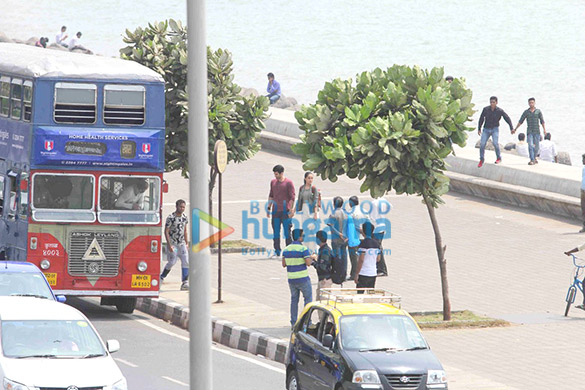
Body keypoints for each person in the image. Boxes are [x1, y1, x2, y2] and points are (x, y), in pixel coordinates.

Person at [282, 229, 314, 328]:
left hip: (291, 279)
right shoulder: (303, 249)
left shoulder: (286, 249)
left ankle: (294, 322)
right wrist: (312, 257)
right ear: (299, 237)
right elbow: (308, 263)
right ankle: (307, 322)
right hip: (303, 278)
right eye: (302, 236)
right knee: (308, 300)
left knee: (294, 300)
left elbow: (284, 264)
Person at [160, 199, 190, 290]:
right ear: (176, 206)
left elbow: (185, 230)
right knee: (172, 261)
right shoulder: (171, 218)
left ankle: (185, 281)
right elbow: (166, 231)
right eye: (180, 207)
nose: (182, 209)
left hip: (182, 244)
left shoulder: (184, 217)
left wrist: (187, 242)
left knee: (186, 261)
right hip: (173, 244)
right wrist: (169, 245)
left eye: (183, 207)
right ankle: (162, 276)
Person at [477, 96, 514, 168]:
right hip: (486, 129)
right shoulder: (486, 109)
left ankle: (498, 158)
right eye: (491, 102)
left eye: (493, 102)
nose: (492, 104)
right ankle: (481, 159)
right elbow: (481, 119)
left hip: (495, 129)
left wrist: (511, 128)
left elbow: (507, 118)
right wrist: (479, 129)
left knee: (495, 143)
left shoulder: (499, 111)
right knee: (482, 144)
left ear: (496, 103)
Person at [267, 164, 295, 256]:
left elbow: (292, 197)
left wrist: (291, 209)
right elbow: (271, 195)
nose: (275, 176)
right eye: (274, 174)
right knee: (276, 232)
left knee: (287, 232)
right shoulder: (273, 182)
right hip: (275, 212)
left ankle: (289, 250)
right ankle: (277, 250)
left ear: (281, 173)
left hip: (285, 211)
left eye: (277, 174)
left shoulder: (288, 183)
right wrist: (268, 207)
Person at [513, 97, 546, 165]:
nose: (531, 104)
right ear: (528, 103)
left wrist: (544, 130)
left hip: (537, 131)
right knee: (530, 145)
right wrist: (515, 128)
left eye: (532, 103)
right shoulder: (526, 112)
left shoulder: (538, 111)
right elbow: (521, 121)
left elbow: (542, 121)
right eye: (530, 103)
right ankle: (532, 159)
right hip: (529, 131)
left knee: (536, 147)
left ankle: (534, 158)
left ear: (534, 103)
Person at [296, 172, 320, 252]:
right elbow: (299, 199)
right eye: (309, 178)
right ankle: (306, 249)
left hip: (312, 211)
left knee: (313, 231)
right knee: (306, 230)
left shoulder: (313, 188)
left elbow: (315, 201)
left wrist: (316, 213)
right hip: (304, 209)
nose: (310, 180)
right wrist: (295, 209)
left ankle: (314, 250)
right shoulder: (301, 188)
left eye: (311, 178)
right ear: (305, 178)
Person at [354, 222, 381, 293]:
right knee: (370, 294)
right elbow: (378, 259)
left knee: (360, 295)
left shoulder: (363, 244)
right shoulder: (377, 244)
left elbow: (361, 260)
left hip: (363, 273)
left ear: (363, 232)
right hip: (373, 273)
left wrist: (356, 274)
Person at [327, 196, 348, 282]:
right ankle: (344, 273)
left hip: (336, 239)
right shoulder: (346, 214)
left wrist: (338, 233)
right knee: (344, 256)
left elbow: (331, 227)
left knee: (337, 257)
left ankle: (338, 274)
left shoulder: (333, 214)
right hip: (345, 239)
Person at [369, 197, 391, 276]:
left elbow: (373, 216)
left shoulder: (374, 203)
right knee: (378, 247)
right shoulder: (383, 200)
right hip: (383, 226)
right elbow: (390, 206)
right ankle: (379, 268)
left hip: (376, 228)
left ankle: (382, 269)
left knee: (377, 249)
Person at [347, 196, 365, 280]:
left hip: (354, 238)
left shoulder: (351, 213)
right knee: (362, 256)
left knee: (354, 258)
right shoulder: (364, 211)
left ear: (351, 203)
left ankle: (354, 274)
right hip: (363, 237)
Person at [313, 230, 332, 300]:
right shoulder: (322, 249)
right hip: (322, 279)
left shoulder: (325, 251)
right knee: (319, 302)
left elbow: (322, 267)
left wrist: (313, 262)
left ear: (318, 239)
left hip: (325, 280)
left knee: (324, 303)